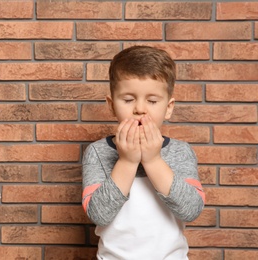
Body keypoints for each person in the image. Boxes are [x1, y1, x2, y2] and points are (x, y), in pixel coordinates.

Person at [82, 46, 205, 260]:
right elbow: (100, 215)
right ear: (111, 105)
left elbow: (191, 210)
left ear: (168, 107)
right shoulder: (98, 152)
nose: (140, 109)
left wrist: (154, 160)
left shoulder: (181, 152)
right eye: (128, 100)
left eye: (152, 101)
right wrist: (127, 161)